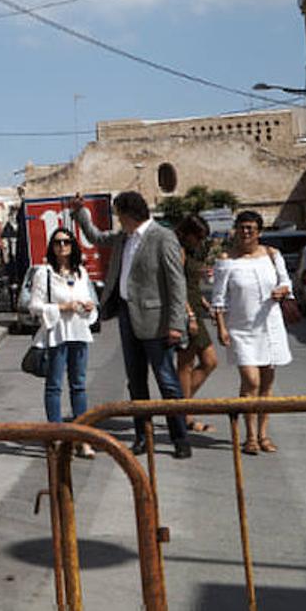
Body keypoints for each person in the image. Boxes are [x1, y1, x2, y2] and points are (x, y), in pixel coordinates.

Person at [73, 190, 192, 459]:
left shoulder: (163, 238)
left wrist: (176, 324)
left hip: (157, 322)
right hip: (128, 316)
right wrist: (81, 213)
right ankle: (142, 436)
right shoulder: (123, 239)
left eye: (118, 214)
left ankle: (180, 438)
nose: (117, 220)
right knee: (136, 383)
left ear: (128, 215)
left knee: (167, 382)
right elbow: (95, 237)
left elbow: (176, 284)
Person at [211, 210, 294, 455]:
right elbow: (218, 299)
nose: (246, 232)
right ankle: (248, 436)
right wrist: (222, 327)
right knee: (251, 381)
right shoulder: (227, 260)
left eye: (251, 228)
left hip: (270, 328)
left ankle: (263, 435)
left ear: (259, 231)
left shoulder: (272, 255)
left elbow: (286, 283)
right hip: (241, 331)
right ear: (236, 230)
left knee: (267, 384)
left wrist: (282, 291)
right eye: (242, 227)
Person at [28, 227, 99, 458]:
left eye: (66, 242)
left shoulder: (80, 273)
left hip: (78, 332)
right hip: (56, 334)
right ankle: (57, 436)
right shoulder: (44, 273)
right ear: (52, 247)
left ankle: (81, 438)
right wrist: (62, 307)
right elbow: (34, 306)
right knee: (54, 386)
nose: (62, 246)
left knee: (79, 385)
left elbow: (90, 299)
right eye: (57, 242)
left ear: (73, 245)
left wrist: (88, 306)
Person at [175, 214, 220, 434]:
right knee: (186, 365)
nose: (200, 241)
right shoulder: (179, 250)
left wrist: (205, 304)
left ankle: (179, 406)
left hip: (195, 308)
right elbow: (177, 286)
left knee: (210, 361)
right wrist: (189, 315)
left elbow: (192, 284)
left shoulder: (193, 250)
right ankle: (184, 415)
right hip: (185, 313)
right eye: (198, 236)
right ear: (187, 233)